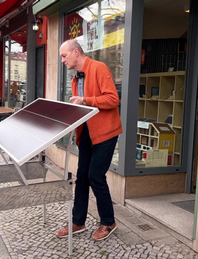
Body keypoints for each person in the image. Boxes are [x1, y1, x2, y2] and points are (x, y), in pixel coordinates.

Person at [56, 40, 122, 241]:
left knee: (95, 176)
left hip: (105, 132)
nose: (62, 60)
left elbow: (113, 99)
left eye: (64, 56)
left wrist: (85, 100)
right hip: (85, 132)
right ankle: (78, 222)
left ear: (76, 52)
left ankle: (108, 221)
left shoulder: (99, 68)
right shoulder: (76, 78)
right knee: (82, 177)